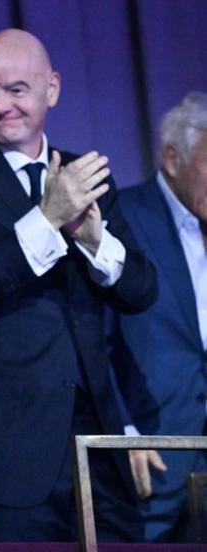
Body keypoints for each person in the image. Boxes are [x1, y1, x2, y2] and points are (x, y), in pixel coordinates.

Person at [0, 29, 158, 541]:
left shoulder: (84, 175)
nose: (1, 106)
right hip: (4, 449)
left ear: (52, 89)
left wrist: (94, 241)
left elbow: (140, 291)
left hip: (95, 443)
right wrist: (47, 221)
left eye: (17, 90)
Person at [108, 92, 207, 542]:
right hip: (153, 449)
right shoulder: (121, 216)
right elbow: (96, 339)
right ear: (172, 157)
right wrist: (123, 429)